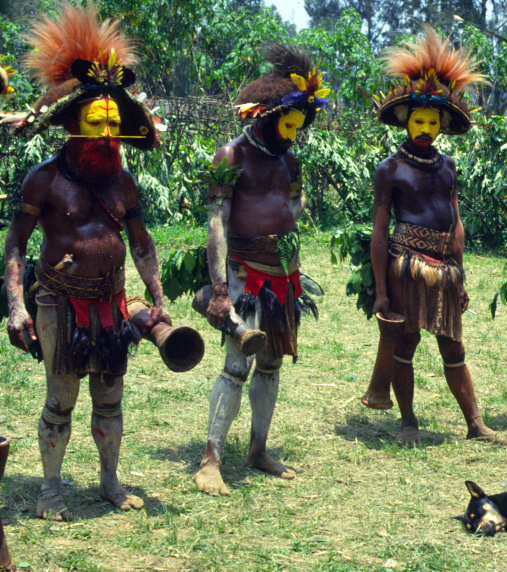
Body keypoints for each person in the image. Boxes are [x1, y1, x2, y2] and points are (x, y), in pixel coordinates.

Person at [4, 4, 169, 520]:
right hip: (58, 298)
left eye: (114, 124)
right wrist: (15, 305)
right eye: (96, 122)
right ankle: (50, 490)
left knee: (111, 395)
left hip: (112, 302)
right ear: (73, 123)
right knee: (61, 396)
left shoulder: (121, 181)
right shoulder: (45, 180)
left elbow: (141, 242)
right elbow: (15, 247)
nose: (107, 133)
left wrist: (158, 296)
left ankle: (109, 481)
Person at [365, 26, 507, 447]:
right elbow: (379, 229)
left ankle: (475, 423)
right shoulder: (390, 169)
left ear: (443, 124)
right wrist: (380, 290)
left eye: (432, 122)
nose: (425, 128)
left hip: (444, 269)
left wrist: (460, 272)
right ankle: (408, 421)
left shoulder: (447, 167)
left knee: (453, 345)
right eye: (418, 121)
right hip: (405, 264)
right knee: (405, 343)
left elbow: (457, 222)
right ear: (405, 121)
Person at [193, 45, 328, 495]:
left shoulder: (289, 159)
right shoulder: (230, 156)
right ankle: (211, 458)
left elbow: (295, 205)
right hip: (244, 272)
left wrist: (287, 247)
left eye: (298, 127)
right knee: (238, 363)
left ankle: (257, 449)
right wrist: (218, 289)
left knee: (271, 364)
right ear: (266, 116)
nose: (292, 135)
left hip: (283, 274)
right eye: (287, 125)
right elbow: (216, 223)